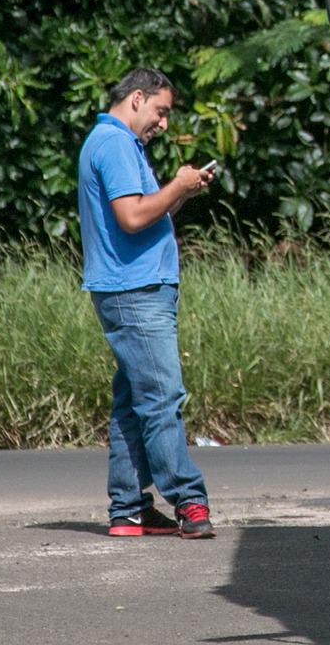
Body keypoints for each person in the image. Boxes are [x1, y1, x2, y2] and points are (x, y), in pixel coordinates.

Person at [76, 68, 219, 539]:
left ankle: (129, 509)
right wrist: (177, 185)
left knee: (132, 402)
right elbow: (133, 217)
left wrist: (182, 190)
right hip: (134, 291)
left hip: (127, 287)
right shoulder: (114, 144)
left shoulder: (115, 142)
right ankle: (188, 501)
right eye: (160, 111)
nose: (163, 123)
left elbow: (144, 212)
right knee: (161, 398)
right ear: (136, 98)